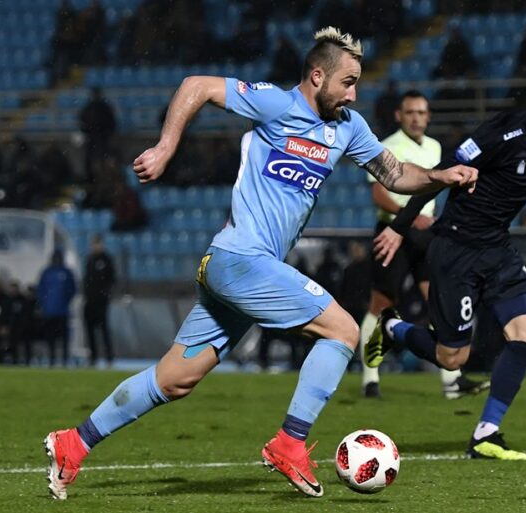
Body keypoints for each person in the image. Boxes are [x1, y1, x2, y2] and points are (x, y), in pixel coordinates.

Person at [42, 27, 477, 500]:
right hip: (239, 259)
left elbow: (395, 174)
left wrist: (441, 176)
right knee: (343, 331)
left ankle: (73, 442)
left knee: (175, 379)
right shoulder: (275, 104)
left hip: (242, 269)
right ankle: (290, 442)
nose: (354, 94)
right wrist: (166, 148)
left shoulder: (347, 127)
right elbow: (196, 85)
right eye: (348, 82)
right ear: (318, 76)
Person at [365, 76, 526, 460]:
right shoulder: (500, 133)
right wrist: (399, 228)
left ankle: (486, 434)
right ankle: (393, 328)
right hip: (455, 248)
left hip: (497, 248)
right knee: (453, 358)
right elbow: (439, 175)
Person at [359, 90, 488, 399]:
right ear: (399, 116)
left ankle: (451, 380)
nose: (416, 118)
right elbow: (378, 195)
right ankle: (370, 379)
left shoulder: (435, 147)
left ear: (428, 116)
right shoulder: (386, 146)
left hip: (425, 234)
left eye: (421, 112)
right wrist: (408, 216)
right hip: (392, 232)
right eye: (410, 112)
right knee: (381, 303)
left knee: (439, 303)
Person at [36, 250, 77, 367]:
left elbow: (72, 289)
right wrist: (44, 304)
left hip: (62, 312)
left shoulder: (67, 272)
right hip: (49, 312)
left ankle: (64, 360)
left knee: (63, 338)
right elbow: (40, 290)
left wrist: (65, 301)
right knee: (51, 338)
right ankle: (52, 359)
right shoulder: (46, 272)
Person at [83, 234, 116, 367]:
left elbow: (112, 279)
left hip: (101, 301)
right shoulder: (89, 259)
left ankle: (109, 357)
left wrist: (105, 294)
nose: (95, 247)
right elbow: (87, 279)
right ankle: (93, 357)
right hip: (89, 300)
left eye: (97, 244)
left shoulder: (106, 259)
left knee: (104, 330)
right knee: (90, 330)